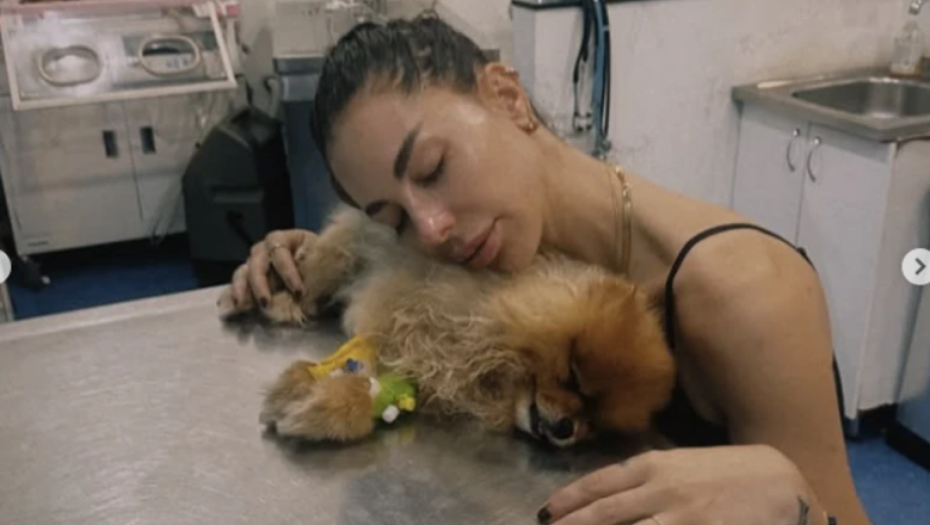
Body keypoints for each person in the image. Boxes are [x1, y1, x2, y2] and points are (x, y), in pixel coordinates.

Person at [224, 13, 872, 525]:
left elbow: (834, 514)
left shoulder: (747, 292)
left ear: (508, 97)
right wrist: (307, 257)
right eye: (393, 218)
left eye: (434, 169)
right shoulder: (506, 250)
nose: (431, 229)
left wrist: (798, 509)